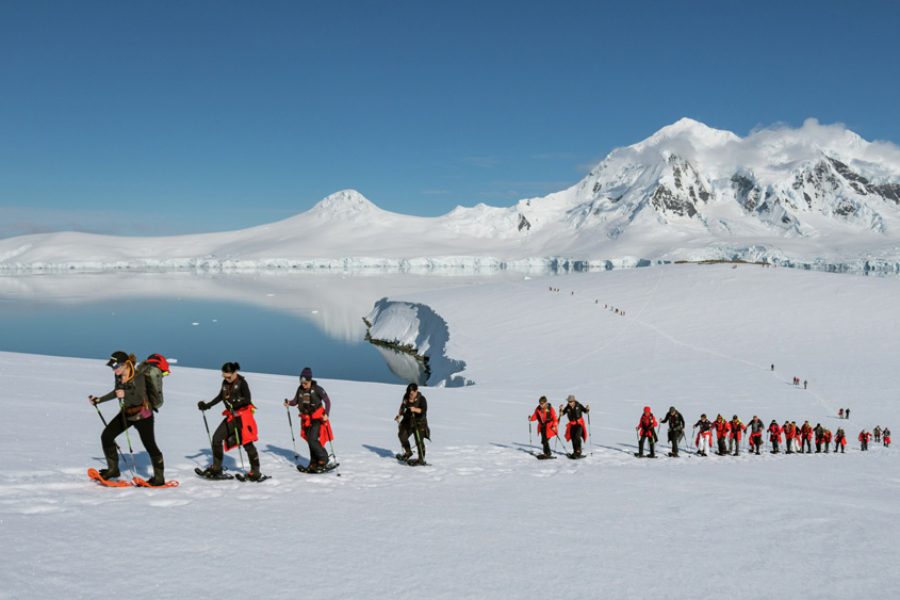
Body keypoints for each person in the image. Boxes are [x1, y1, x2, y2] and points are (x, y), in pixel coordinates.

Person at [89, 351, 166, 485]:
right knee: (106, 436)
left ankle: (159, 478)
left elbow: (138, 398)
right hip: (127, 413)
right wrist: (99, 400)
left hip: (143, 415)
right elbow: (116, 392)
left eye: (116, 366)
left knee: (150, 445)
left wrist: (125, 393)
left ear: (125, 364)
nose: (114, 369)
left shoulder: (138, 377)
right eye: (112, 367)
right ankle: (113, 470)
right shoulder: (118, 376)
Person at [197, 362, 261, 480]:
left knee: (247, 443)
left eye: (228, 376)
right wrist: (207, 405)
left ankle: (255, 471)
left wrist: (237, 401)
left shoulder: (242, 382)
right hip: (231, 417)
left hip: (243, 417)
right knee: (216, 438)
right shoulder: (225, 383)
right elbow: (220, 396)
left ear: (235, 373)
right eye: (224, 376)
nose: (226, 379)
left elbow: (247, 399)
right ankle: (216, 468)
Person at [286, 367, 334, 471]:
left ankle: (324, 459)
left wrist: (326, 414)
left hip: (317, 418)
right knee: (310, 441)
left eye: (305, 383)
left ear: (310, 380)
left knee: (312, 440)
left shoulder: (318, 389)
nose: (303, 385)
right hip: (306, 419)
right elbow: (295, 401)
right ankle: (313, 463)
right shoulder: (300, 389)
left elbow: (328, 402)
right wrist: (289, 403)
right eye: (302, 382)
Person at [395, 382, 429, 465]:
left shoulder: (422, 399)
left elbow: (423, 410)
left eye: (412, 393)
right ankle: (408, 452)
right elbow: (403, 406)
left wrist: (415, 409)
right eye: (409, 393)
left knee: (419, 440)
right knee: (402, 435)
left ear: (416, 391)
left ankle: (421, 459)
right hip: (408, 421)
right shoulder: (406, 397)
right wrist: (399, 415)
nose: (410, 395)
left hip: (419, 422)